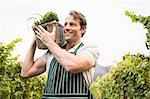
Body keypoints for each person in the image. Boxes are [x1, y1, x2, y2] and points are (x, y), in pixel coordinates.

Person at [21, 10, 99, 99]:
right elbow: (25, 72)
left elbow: (72, 66)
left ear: (83, 29)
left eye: (72, 24)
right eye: (65, 24)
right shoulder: (51, 53)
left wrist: (50, 43)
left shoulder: (89, 50)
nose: (66, 28)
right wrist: (35, 39)